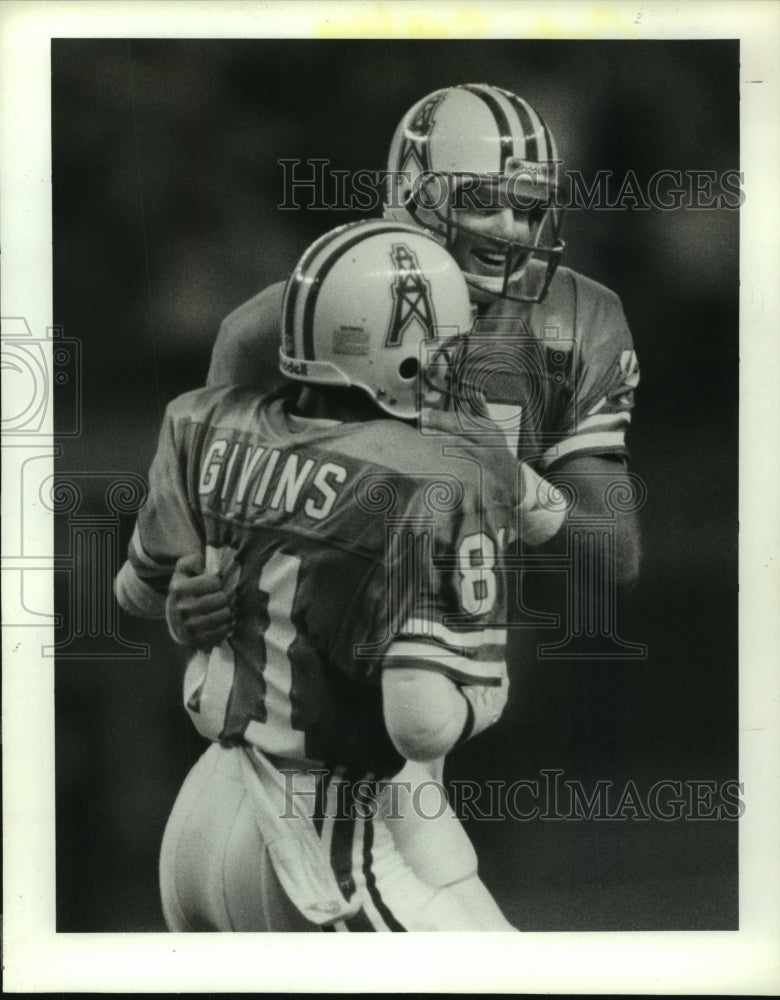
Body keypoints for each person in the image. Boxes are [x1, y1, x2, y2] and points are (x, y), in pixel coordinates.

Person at [166, 82, 642, 901]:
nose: (511, 230)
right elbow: (196, 554)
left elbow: (613, 552)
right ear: (411, 193)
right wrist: (188, 592)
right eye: (485, 200)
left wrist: (510, 478)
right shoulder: (282, 321)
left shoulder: (577, 325)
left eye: (529, 209)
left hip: (428, 712)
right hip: (293, 750)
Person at [115, 220, 519, 932]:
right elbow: (421, 720)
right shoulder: (428, 473)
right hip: (319, 839)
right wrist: (485, 690)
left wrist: (203, 579)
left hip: (207, 809)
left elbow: (136, 589)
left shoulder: (206, 417)